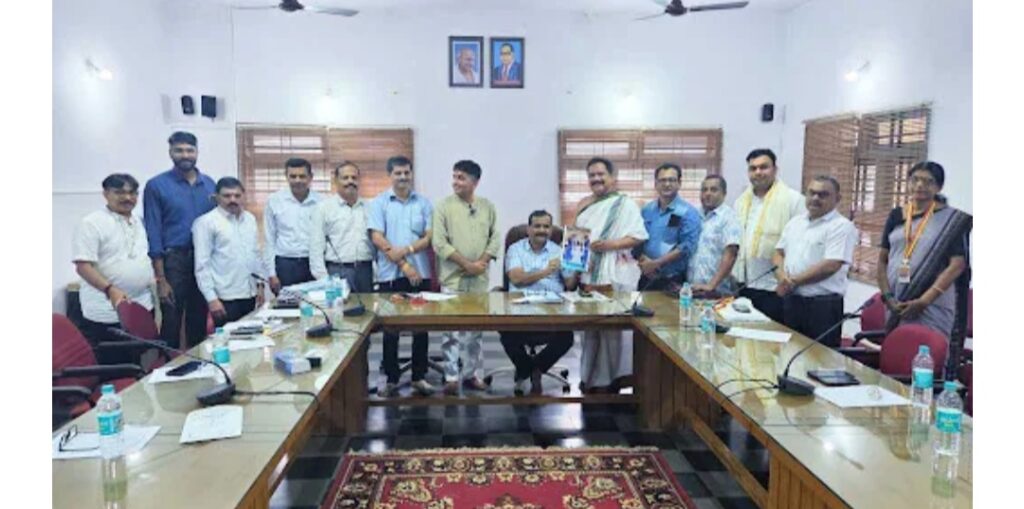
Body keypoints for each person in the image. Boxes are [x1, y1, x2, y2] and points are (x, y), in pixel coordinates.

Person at [874, 161, 970, 347]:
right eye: (915, 179)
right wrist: (887, 297)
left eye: (928, 181)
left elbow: (957, 265)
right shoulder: (896, 215)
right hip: (896, 300)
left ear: (939, 187)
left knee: (928, 354)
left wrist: (924, 301)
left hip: (933, 304)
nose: (920, 185)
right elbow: (882, 260)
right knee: (898, 352)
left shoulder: (950, 221)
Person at [574, 157, 649, 393]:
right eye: (591, 175)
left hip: (615, 272)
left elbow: (638, 236)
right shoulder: (584, 205)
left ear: (612, 177)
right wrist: (575, 267)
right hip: (588, 275)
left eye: (601, 174)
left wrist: (610, 245)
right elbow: (577, 241)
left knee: (612, 332)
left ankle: (610, 382)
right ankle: (589, 377)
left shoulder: (625, 204)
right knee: (590, 329)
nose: (596, 179)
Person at [368, 156, 436, 397]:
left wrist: (406, 251)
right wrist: (404, 265)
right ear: (390, 175)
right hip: (390, 275)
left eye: (406, 172)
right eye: (398, 173)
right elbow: (377, 237)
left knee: (421, 328)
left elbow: (429, 237)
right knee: (390, 328)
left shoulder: (424, 204)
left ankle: (419, 377)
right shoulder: (379, 203)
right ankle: (391, 378)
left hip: (421, 273)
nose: (403, 177)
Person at [432, 160, 501, 394]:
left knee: (475, 332)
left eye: (461, 178)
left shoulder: (487, 206)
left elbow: (495, 238)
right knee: (450, 331)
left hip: (479, 280)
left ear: (475, 182)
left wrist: (481, 263)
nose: (455, 182)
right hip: (453, 279)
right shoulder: (443, 206)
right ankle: (451, 376)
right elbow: (439, 243)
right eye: (454, 177)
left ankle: (471, 375)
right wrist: (467, 264)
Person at [143, 131, 217, 348]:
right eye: (179, 150)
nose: (185, 155)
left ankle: (199, 363)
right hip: (174, 261)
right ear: (170, 152)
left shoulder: (210, 185)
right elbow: (153, 232)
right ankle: (168, 366)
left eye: (189, 150)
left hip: (204, 260)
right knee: (171, 320)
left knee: (199, 318)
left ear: (197, 152)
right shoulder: (157, 185)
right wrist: (161, 279)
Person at [72, 174, 154, 364]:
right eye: (119, 192)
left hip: (140, 306)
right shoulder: (91, 223)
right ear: (105, 194)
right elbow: (83, 266)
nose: (127, 197)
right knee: (115, 367)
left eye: (132, 193)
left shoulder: (139, 221)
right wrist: (110, 289)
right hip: (107, 310)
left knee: (137, 363)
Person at [772, 176, 858, 347]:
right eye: (811, 193)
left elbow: (831, 265)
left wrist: (792, 282)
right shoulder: (795, 222)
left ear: (837, 199)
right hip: (792, 300)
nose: (815, 198)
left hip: (822, 307)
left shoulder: (841, 226)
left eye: (823, 195)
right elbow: (778, 253)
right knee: (789, 353)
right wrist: (782, 277)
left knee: (820, 358)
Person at [501, 210, 578, 396]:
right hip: (520, 307)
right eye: (537, 226)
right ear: (528, 229)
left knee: (566, 337)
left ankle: (533, 368)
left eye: (546, 226)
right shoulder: (515, 249)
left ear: (551, 230)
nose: (541, 230)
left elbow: (569, 285)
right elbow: (516, 278)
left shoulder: (559, 251)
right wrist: (545, 271)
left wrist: (577, 267)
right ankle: (529, 368)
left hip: (552, 308)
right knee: (506, 333)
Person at [732, 148, 805, 323]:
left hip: (775, 288)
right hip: (744, 284)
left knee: (772, 336)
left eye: (763, 167)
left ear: (775, 169)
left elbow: (800, 243)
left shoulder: (793, 200)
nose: (758, 172)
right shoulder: (741, 201)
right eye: (753, 168)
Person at [192, 178, 265, 326]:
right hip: (224, 297)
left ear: (243, 196)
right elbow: (202, 265)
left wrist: (260, 286)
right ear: (217, 197)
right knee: (227, 338)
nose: (233, 200)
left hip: (249, 293)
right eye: (227, 196)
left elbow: (256, 254)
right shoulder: (206, 223)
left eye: (237, 195)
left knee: (251, 335)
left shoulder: (250, 219)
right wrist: (211, 298)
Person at [309, 162, 373, 292]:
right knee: (340, 305)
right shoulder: (323, 209)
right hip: (337, 270)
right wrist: (323, 279)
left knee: (368, 305)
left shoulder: (370, 207)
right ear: (335, 181)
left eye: (354, 178)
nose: (350, 181)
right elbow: (316, 247)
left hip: (365, 271)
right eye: (345, 178)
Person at [638, 163, 702, 290]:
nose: (667, 184)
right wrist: (644, 261)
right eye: (662, 180)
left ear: (679, 183)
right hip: (646, 277)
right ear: (655, 184)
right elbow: (638, 238)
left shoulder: (687, 212)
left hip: (672, 280)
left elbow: (686, 246)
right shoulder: (647, 210)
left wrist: (655, 264)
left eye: (671, 180)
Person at [263, 158, 322, 294]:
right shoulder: (274, 201)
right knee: (286, 304)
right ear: (286, 177)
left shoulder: (321, 202)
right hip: (285, 264)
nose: (297, 180)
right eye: (293, 176)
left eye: (302, 176)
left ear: (310, 177)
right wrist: (271, 273)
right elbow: (269, 239)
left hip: (313, 262)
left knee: (316, 303)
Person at [688, 175, 742, 297]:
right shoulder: (695, 215)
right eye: (704, 190)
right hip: (692, 289)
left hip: (717, 292)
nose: (708, 194)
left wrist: (711, 285)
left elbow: (731, 254)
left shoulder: (729, 218)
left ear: (724, 193)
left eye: (713, 190)